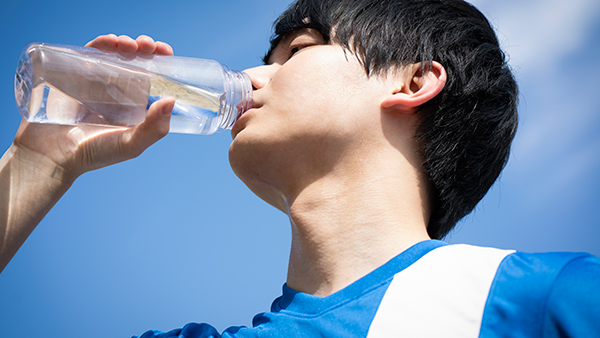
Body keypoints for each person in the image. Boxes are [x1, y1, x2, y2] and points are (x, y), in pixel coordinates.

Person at [1, 0, 599, 337]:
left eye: (298, 50)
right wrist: (38, 162)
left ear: (412, 81)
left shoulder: (531, 299)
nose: (255, 77)